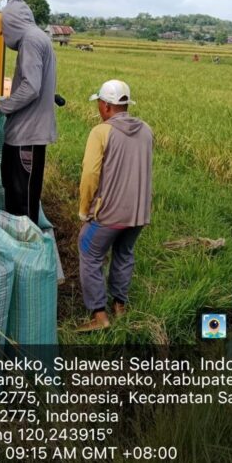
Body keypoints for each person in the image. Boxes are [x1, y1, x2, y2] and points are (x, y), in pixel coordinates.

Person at [76, 80, 153, 332]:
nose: (98, 108)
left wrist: (84, 209)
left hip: (109, 214)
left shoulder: (101, 132)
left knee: (89, 251)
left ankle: (99, 316)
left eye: (99, 103)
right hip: (139, 213)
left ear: (107, 106)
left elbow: (90, 174)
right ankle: (120, 308)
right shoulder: (146, 130)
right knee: (124, 253)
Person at [0, 0, 57, 225]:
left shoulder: (31, 41)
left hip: (27, 137)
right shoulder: (36, 38)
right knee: (15, 195)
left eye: (3, 29)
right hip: (23, 135)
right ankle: (18, 241)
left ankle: (25, 244)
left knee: (22, 202)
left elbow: (31, 87)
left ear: (12, 23)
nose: (3, 36)